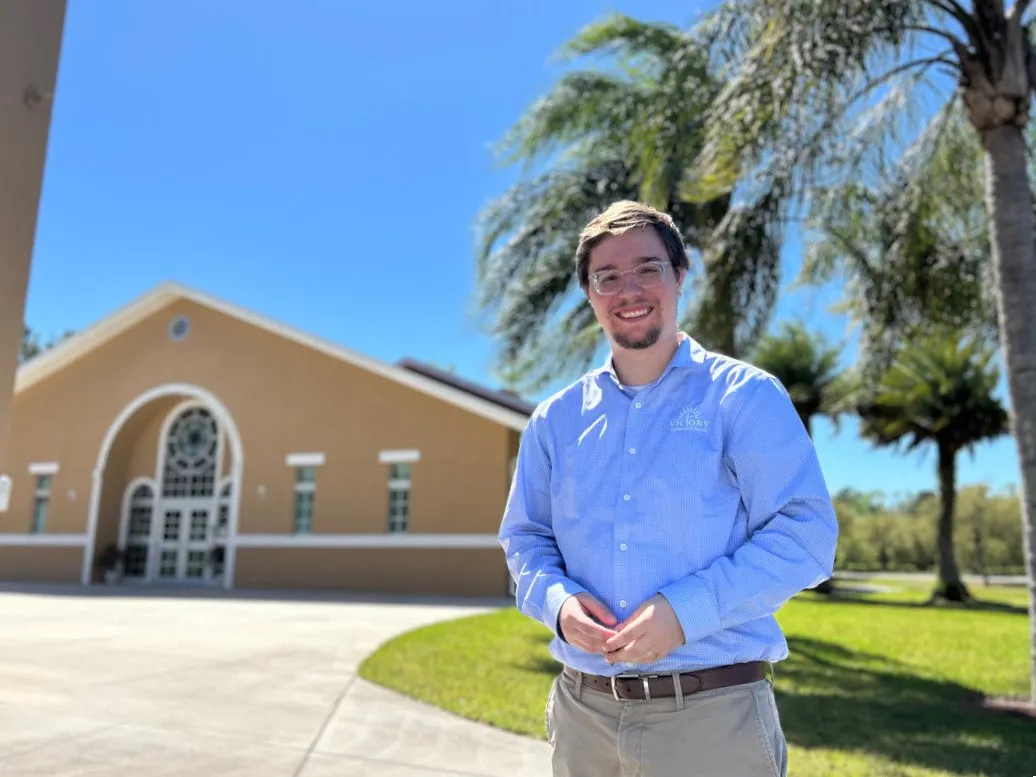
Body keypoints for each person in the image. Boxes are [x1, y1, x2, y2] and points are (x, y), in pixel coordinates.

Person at [498, 200, 838, 777]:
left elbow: (807, 535)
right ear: (589, 293)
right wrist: (558, 606)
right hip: (584, 719)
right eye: (607, 277)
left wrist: (686, 612)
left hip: (713, 721)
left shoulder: (744, 397)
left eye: (648, 269)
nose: (628, 290)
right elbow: (526, 538)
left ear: (680, 276)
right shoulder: (554, 421)